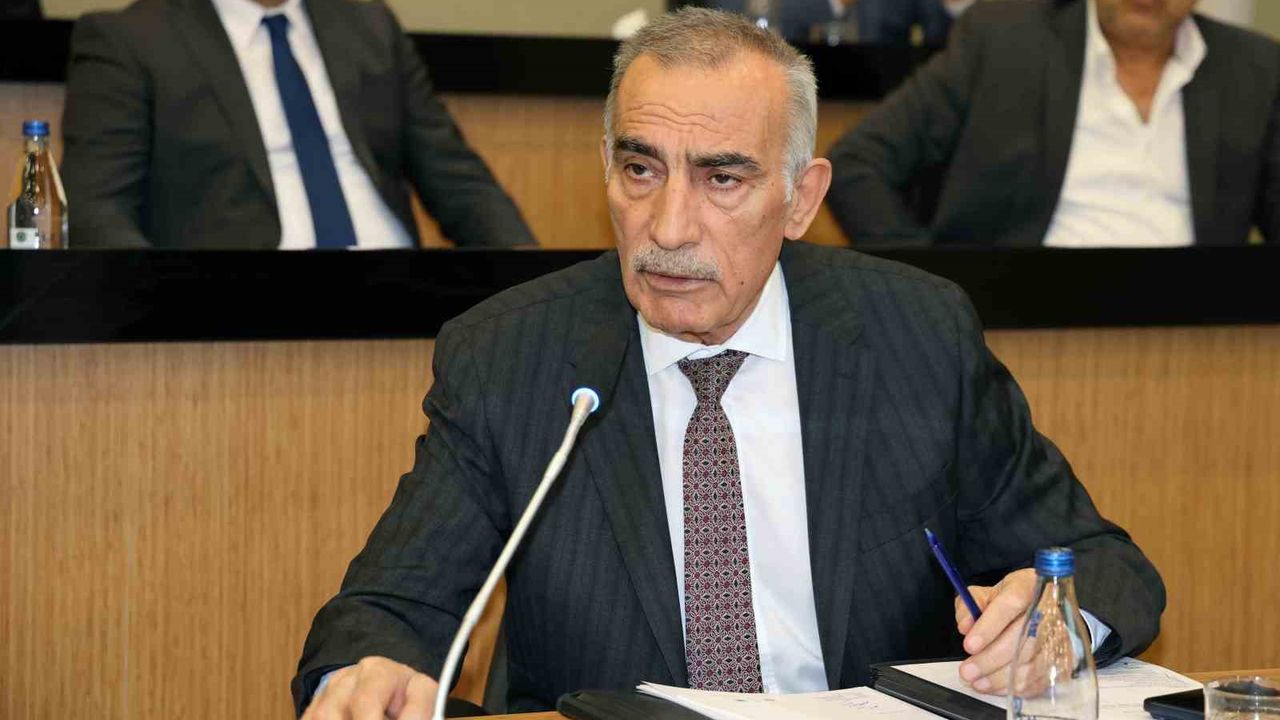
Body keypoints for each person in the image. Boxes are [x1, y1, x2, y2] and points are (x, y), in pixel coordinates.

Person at [293, 8, 1165, 718]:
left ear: (801, 198)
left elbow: (1104, 565)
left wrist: (1060, 621)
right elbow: (387, 612)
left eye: (722, 180)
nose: (669, 228)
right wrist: (370, 674)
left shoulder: (915, 335)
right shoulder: (512, 356)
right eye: (641, 169)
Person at [61, 0, 534, 249]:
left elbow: (458, 179)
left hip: (399, 289)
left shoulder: (371, 27)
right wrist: (155, 301)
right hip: (236, 304)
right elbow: (96, 206)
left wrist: (526, 275)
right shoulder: (130, 39)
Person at [826, 0, 1280, 247]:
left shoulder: (1256, 69)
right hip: (1027, 330)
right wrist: (926, 289)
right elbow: (856, 164)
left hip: (1202, 341)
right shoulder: (1003, 38)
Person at [697, 0, 964, 46]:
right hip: (781, 99)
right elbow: (733, 18)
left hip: (879, 103)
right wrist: (832, 4)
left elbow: (939, 35)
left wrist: (955, 7)